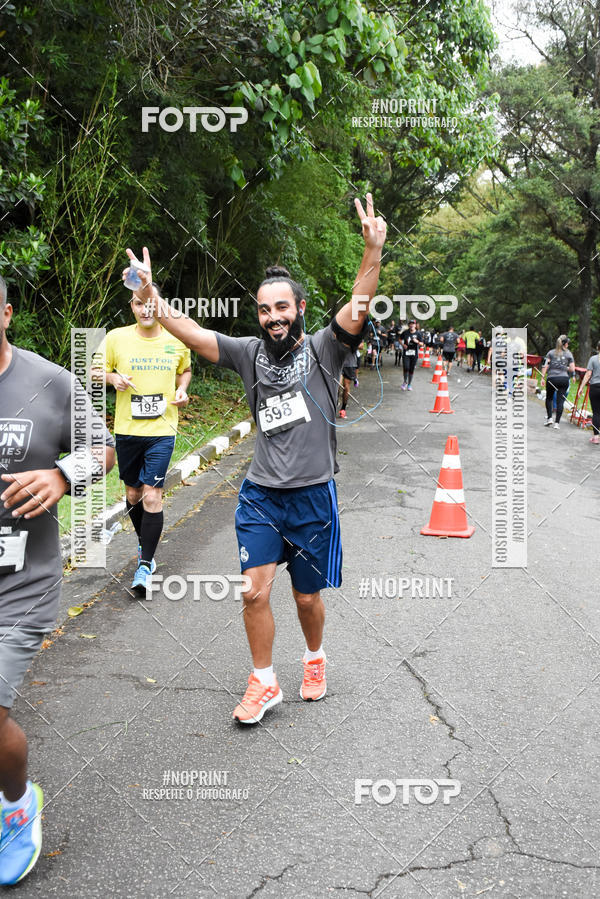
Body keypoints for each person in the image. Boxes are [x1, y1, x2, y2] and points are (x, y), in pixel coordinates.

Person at [123, 193, 386, 725]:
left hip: (313, 497)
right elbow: (193, 333)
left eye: (281, 308)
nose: (272, 318)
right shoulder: (248, 353)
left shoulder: (324, 348)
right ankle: (263, 682)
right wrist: (151, 292)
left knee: (307, 600)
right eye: (264, 310)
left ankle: (314, 657)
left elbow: (359, 304)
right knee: (252, 592)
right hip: (261, 495)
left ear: (300, 309)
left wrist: (373, 251)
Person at [0, 276, 115, 884]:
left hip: (23, 581)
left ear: (7, 314)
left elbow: (103, 448)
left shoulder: (49, 382)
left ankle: (17, 805)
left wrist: (64, 477)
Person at [91, 292, 191, 595]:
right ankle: (144, 544)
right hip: (127, 430)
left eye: (150, 304)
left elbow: (184, 370)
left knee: (151, 495)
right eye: (138, 304)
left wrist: (182, 389)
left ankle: (145, 565)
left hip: (162, 429)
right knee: (133, 494)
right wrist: (113, 379)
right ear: (131, 306)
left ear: (158, 306)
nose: (144, 309)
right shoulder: (115, 338)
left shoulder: (176, 338)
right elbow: (94, 372)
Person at [541, 335, 575, 429]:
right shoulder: (569, 354)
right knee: (560, 401)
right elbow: (572, 369)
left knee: (549, 398)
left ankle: (549, 418)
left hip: (552, 378)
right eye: (567, 343)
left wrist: (543, 377)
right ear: (565, 344)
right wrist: (565, 367)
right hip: (564, 379)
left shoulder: (551, 353)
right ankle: (557, 424)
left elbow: (545, 365)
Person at [580, 341, 600, 443]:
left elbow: (588, 375)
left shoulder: (593, 359)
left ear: (597, 348)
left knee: (596, 413)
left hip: (595, 387)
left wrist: (581, 387)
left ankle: (596, 437)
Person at [399, 319, 422, 390]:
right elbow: (399, 339)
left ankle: (409, 384)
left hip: (414, 354)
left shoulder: (418, 334)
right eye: (410, 324)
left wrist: (417, 341)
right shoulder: (405, 332)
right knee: (406, 367)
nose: (412, 325)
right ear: (409, 325)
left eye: (413, 324)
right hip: (406, 353)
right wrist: (403, 345)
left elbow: (422, 343)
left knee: (411, 369)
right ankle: (405, 382)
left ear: (415, 325)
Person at [339, 346, 358, 419]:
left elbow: (361, 346)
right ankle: (335, 401)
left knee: (346, 387)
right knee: (338, 384)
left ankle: (343, 408)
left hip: (350, 364)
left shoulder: (357, 334)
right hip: (338, 362)